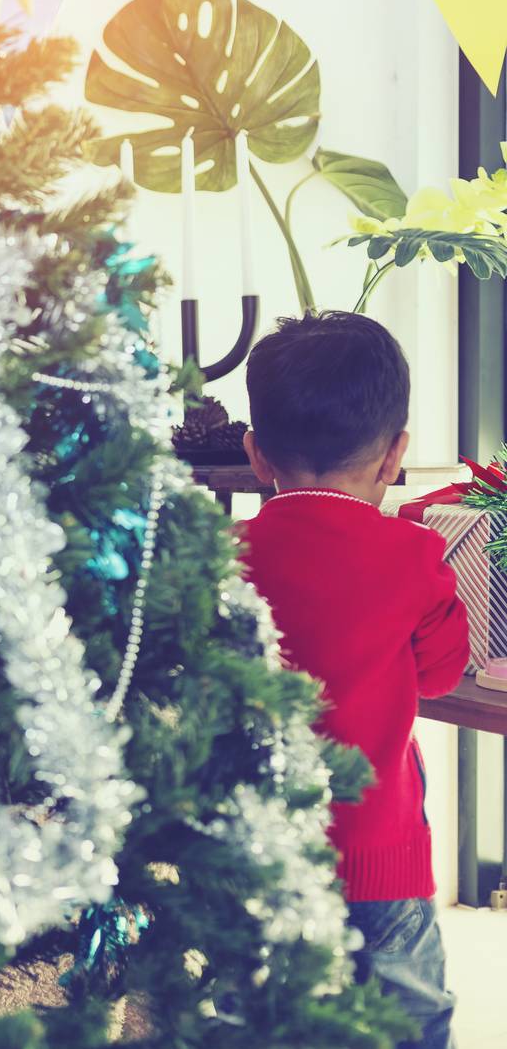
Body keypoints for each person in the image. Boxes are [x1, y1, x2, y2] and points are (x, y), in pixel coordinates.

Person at [239, 310, 469, 1049]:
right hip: (381, 852)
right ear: (395, 453)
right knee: (411, 1012)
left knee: (265, 1014)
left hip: (257, 846)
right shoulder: (412, 553)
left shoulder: (225, 554)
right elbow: (439, 673)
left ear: (256, 454)